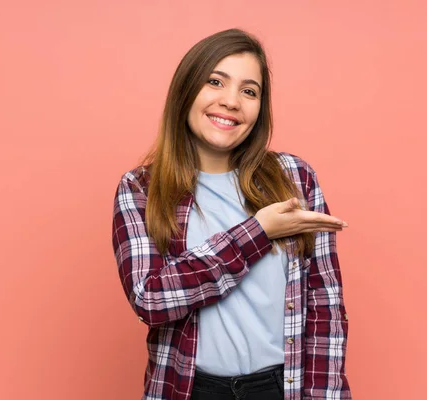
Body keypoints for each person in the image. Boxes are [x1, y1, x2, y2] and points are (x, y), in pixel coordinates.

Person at [112, 28, 352, 400]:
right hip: (189, 388)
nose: (231, 101)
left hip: (279, 388)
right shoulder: (141, 188)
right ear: (186, 90)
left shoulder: (294, 177)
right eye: (215, 82)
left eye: (249, 91)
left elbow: (324, 306)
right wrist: (258, 232)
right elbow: (150, 298)